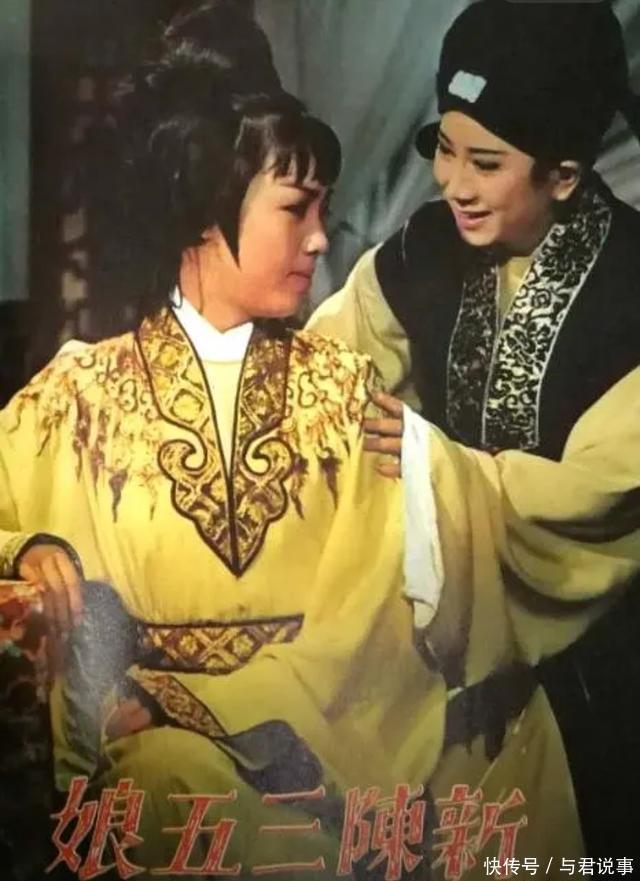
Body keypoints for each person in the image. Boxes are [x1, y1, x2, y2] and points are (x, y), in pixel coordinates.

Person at [0, 4, 447, 878]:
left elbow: (385, 614)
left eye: (323, 209)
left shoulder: (345, 394)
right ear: (207, 211)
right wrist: (28, 550)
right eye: (297, 208)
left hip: (319, 765)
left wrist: (203, 707)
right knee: (164, 777)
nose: (319, 236)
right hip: (145, 771)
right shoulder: (77, 400)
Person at [308, 0, 640, 864]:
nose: (453, 183)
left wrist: (430, 465)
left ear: (563, 175)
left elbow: (600, 496)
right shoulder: (423, 250)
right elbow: (328, 369)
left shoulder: (632, 290)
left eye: (485, 163)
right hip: (434, 641)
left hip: (593, 669)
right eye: (444, 149)